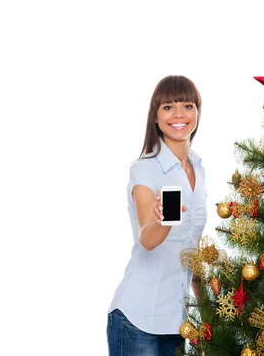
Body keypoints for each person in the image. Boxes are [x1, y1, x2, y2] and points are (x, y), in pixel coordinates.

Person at [107, 75, 208, 356]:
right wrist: (164, 221)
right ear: (155, 117)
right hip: (137, 320)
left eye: (187, 106)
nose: (178, 114)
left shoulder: (198, 169)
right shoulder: (144, 170)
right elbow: (147, 239)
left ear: (197, 112)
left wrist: (209, 310)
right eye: (168, 107)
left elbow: (193, 251)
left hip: (177, 324)